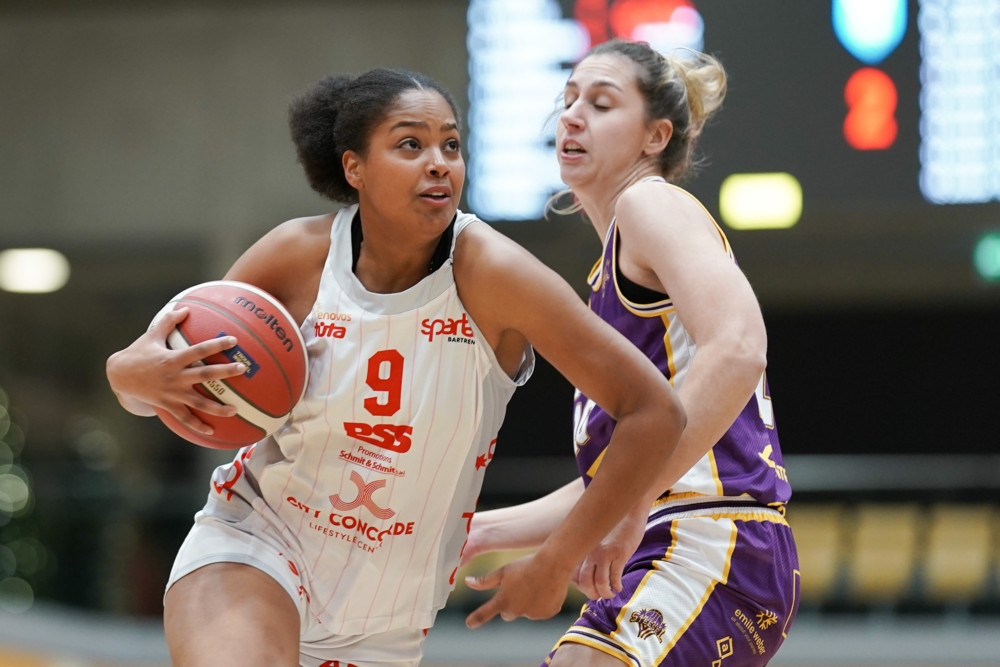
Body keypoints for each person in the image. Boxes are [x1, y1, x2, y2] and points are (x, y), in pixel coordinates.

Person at [105, 67, 686, 667]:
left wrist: (558, 558)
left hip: (387, 620)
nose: (439, 162)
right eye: (411, 144)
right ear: (354, 167)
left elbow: (654, 412)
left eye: (451, 145)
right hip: (257, 545)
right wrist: (129, 378)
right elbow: (149, 376)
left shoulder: (494, 272)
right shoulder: (297, 255)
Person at [461, 40, 799, 666]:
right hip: (684, 540)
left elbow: (742, 344)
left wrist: (632, 499)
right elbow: (611, 479)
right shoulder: (610, 279)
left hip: (710, 540)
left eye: (601, 102)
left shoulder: (650, 203)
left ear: (655, 137)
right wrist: (480, 532)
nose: (570, 116)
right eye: (567, 101)